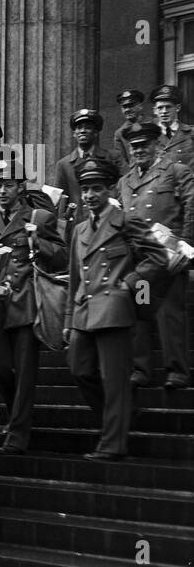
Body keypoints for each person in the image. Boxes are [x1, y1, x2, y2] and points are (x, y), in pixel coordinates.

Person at [65, 159, 168, 460]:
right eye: (85, 190)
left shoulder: (125, 221)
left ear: (110, 189)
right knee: (79, 369)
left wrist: (132, 282)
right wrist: (69, 320)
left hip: (114, 309)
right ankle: (122, 416)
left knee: (115, 380)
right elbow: (73, 278)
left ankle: (113, 444)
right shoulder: (80, 229)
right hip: (85, 310)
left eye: (96, 189)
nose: (89, 196)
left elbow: (159, 257)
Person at [0, 163, 67, 453]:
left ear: (21, 187)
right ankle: (18, 416)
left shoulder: (40, 217)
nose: (1, 190)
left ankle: (18, 434)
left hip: (26, 306)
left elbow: (62, 257)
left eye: (8, 184)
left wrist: (39, 242)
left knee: (25, 375)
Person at [118, 121, 194, 388]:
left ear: (157, 145)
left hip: (168, 255)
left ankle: (177, 371)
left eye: (144, 145)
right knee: (140, 310)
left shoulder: (175, 170)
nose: (139, 151)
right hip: (141, 261)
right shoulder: (125, 181)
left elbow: (191, 202)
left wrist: (186, 244)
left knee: (170, 312)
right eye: (134, 146)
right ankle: (141, 368)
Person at [151, 84, 194, 170]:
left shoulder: (191, 133)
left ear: (177, 108)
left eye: (168, 107)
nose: (164, 111)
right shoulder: (150, 135)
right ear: (155, 110)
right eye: (160, 108)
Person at [112, 89, 146, 168]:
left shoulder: (155, 123)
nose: (127, 110)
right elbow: (122, 162)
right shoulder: (120, 133)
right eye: (124, 107)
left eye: (131, 105)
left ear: (140, 106)